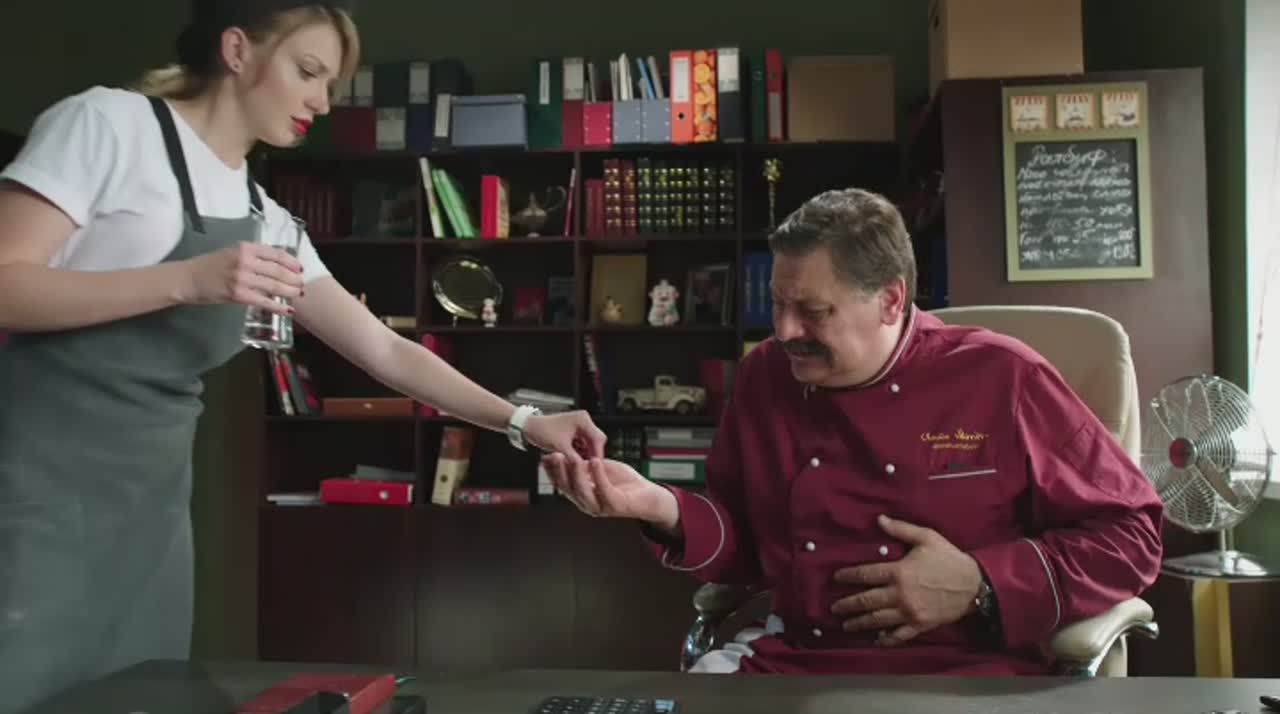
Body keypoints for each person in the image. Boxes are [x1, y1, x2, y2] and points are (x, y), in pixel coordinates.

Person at [0, 1, 605, 710]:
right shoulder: (108, 124)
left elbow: (385, 349)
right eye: (308, 72)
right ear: (237, 51)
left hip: (152, 516)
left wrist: (526, 422)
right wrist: (186, 280)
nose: (321, 101)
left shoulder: (264, 216)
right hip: (37, 491)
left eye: (331, 85)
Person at [542, 188, 1165, 676]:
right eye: (777, 304)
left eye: (813, 311)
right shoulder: (764, 377)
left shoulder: (1004, 377)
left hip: (971, 673)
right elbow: (747, 543)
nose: (784, 331)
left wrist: (981, 583)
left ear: (891, 300)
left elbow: (1132, 536)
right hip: (796, 663)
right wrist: (659, 506)